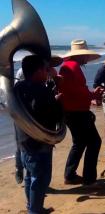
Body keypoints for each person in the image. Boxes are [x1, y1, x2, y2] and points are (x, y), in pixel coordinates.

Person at [15, 55, 63, 213]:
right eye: (45, 69)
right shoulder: (42, 90)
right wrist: (57, 101)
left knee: (30, 176)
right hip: (39, 144)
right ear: (38, 71)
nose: (47, 72)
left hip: (23, 142)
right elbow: (53, 115)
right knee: (41, 179)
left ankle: (32, 206)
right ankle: (34, 211)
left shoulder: (17, 88)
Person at [59, 39, 103, 186]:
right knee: (94, 142)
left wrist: (90, 96)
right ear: (81, 55)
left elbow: (73, 91)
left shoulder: (67, 66)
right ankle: (89, 180)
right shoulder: (73, 67)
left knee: (80, 143)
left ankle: (70, 175)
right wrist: (93, 95)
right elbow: (78, 91)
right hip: (77, 112)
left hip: (72, 111)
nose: (86, 59)